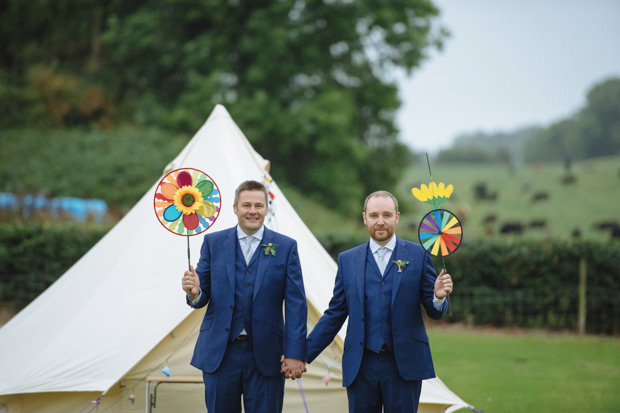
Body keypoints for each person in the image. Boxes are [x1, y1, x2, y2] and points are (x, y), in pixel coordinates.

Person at [301, 190, 453, 413]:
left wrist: (438, 298)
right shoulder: (347, 260)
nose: (380, 222)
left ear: (397, 217)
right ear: (364, 218)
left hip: (405, 365)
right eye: (374, 216)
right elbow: (335, 314)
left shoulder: (418, 256)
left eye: (387, 215)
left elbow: (435, 312)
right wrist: (302, 354)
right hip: (361, 366)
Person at [182, 180, 308, 412]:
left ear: (266, 209)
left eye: (258, 206)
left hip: (268, 354)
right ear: (235, 208)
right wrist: (195, 292)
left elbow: (296, 306)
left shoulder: (286, 247)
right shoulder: (213, 242)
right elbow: (200, 296)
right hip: (220, 353)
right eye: (246, 205)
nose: (252, 211)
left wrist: (295, 353)